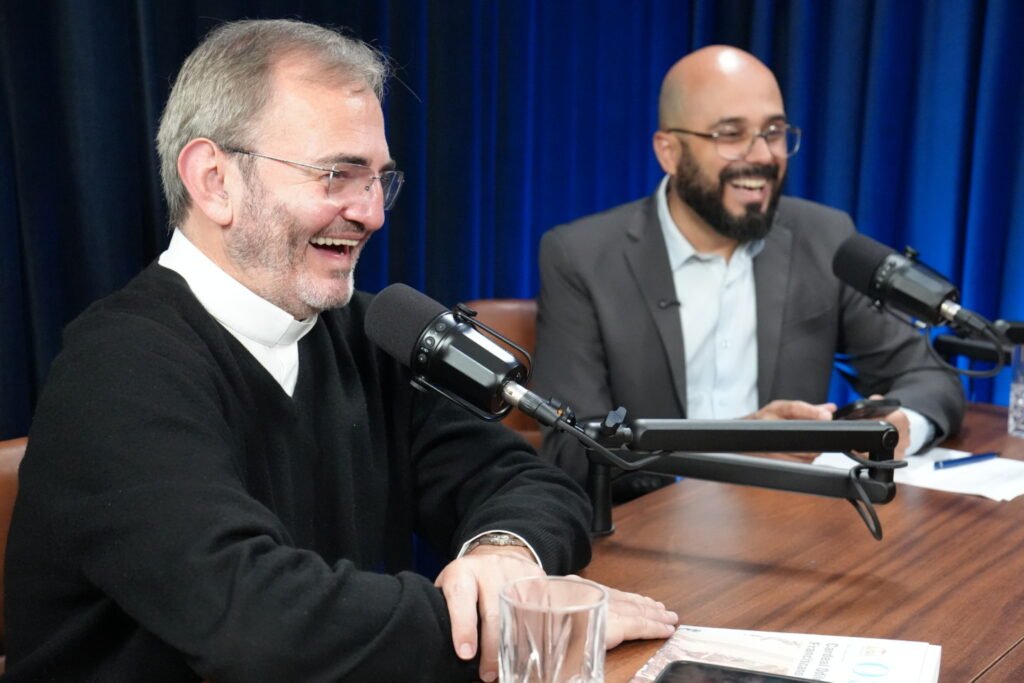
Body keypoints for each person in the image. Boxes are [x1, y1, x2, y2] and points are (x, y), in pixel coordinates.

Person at [3, 19, 677, 682]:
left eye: (378, 179)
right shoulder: (116, 371)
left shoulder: (368, 332)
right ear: (213, 180)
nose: (372, 213)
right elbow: (255, 623)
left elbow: (528, 482)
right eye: (336, 175)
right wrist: (515, 618)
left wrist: (504, 552)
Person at [532, 45, 965, 501]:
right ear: (670, 152)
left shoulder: (823, 237)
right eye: (730, 134)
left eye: (774, 132)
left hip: (790, 525)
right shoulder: (580, 255)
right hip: (650, 531)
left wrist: (895, 428)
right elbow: (569, 450)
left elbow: (930, 379)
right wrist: (728, 447)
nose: (762, 156)